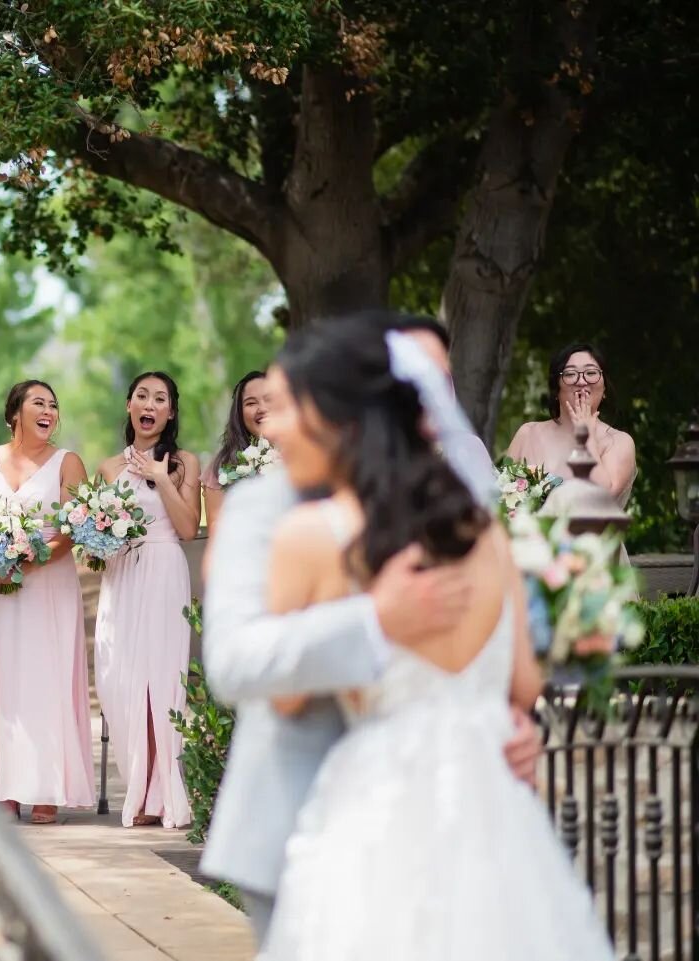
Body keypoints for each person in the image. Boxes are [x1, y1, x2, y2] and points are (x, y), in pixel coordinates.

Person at [254, 319, 611, 958]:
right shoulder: (490, 538)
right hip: (491, 801)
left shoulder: (314, 536)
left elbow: (282, 698)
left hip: (375, 799)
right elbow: (525, 685)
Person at [200, 310, 538, 946]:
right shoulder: (264, 505)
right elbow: (235, 659)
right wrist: (375, 622)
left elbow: (509, 655)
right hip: (301, 820)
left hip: (457, 819)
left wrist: (509, 719)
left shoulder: (467, 512)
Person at [0, 380, 94, 825]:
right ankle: (0, 787)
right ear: (15, 412)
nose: (49, 410)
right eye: (39, 402)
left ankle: (46, 786)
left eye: (54, 405)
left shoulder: (67, 463)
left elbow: (74, 526)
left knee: (43, 678)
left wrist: (31, 558)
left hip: (47, 587)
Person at [92, 371, 200, 828]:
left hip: (164, 570)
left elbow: (189, 528)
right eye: (142, 396)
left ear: (170, 411)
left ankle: (161, 792)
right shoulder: (108, 469)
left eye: (160, 398)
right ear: (130, 406)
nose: (150, 404)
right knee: (120, 680)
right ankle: (138, 779)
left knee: (161, 677)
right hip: (121, 576)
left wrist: (162, 478)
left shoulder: (183, 463)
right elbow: (94, 539)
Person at [506, 342, 636, 503]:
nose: (581, 381)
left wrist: (585, 434)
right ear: (555, 389)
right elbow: (500, 499)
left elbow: (603, 498)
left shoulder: (618, 441)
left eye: (591, 372)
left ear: (604, 390)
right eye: (570, 374)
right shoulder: (528, 433)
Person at [200, 371, 266, 583]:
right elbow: (218, 537)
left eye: (269, 399)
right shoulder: (222, 467)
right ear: (238, 413)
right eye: (251, 403)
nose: (262, 408)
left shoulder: (307, 457)